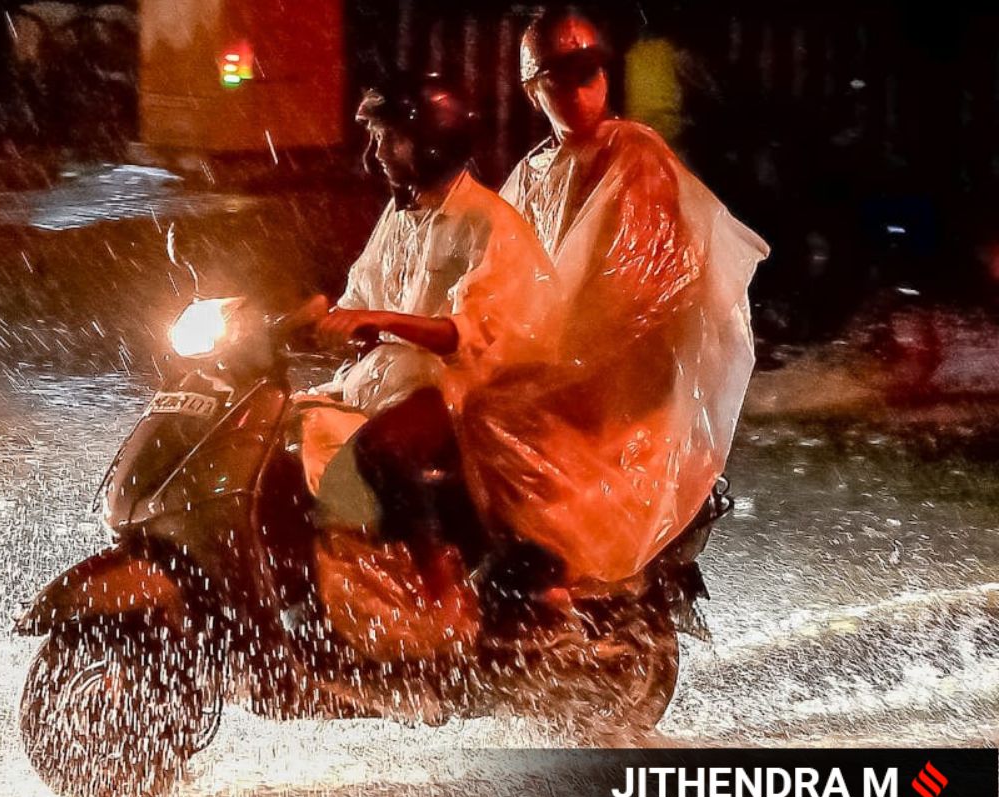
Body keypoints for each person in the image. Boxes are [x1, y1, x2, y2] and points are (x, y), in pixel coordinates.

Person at [484, 9, 769, 586]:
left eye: (589, 73)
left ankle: (546, 569)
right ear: (531, 88)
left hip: (617, 385)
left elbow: (633, 292)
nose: (579, 90)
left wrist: (546, 354)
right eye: (562, 79)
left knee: (491, 412)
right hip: (554, 362)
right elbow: (493, 266)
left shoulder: (635, 157)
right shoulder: (532, 171)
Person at [295, 75, 561, 659]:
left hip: (461, 389)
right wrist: (310, 314)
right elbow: (356, 296)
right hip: (385, 380)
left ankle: (441, 590)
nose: (376, 154)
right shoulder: (400, 216)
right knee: (281, 429)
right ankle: (333, 587)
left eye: (388, 140)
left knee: (382, 451)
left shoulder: (488, 223)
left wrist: (380, 319)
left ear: (432, 141)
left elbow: (469, 334)